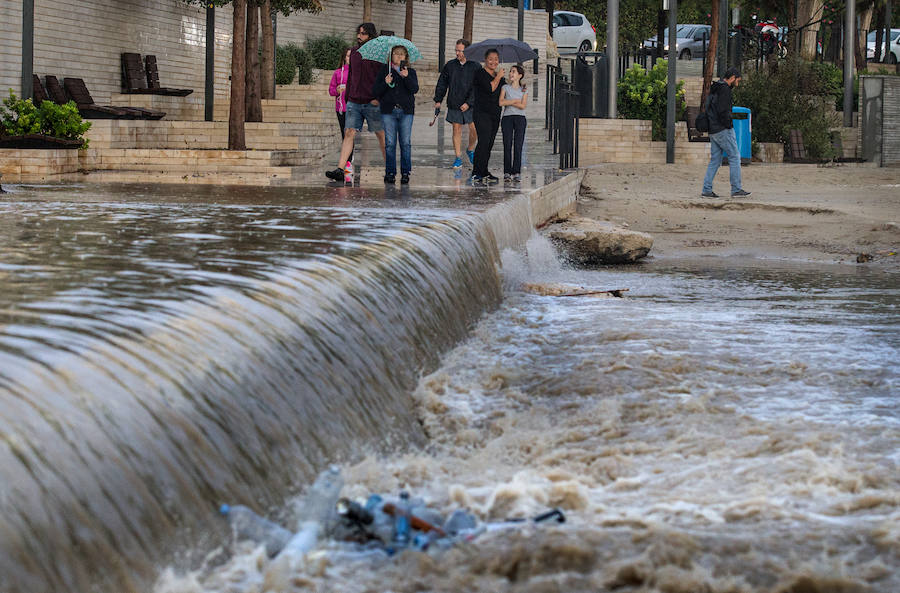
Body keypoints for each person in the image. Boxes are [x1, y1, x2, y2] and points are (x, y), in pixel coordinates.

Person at [325, 23, 386, 184]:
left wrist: (378, 97)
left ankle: (390, 168)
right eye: (358, 33)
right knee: (349, 132)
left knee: (380, 134)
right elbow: (351, 75)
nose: (359, 36)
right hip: (354, 101)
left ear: (371, 36)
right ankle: (340, 168)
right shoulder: (354, 53)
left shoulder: (378, 54)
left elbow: (382, 78)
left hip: (372, 101)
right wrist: (348, 98)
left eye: (363, 34)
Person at [701, 67, 751, 198]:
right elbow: (723, 110)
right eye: (737, 81)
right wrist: (729, 125)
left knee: (715, 160)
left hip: (713, 129)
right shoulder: (725, 90)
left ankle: (706, 189)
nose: (737, 84)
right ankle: (736, 189)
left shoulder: (716, 87)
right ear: (733, 77)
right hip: (723, 129)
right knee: (734, 157)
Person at [373, 45, 419, 184]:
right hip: (388, 111)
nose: (399, 57)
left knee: (405, 143)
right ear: (391, 56)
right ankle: (390, 172)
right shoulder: (385, 71)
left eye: (402, 54)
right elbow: (375, 91)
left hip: (406, 112)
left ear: (406, 57)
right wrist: (385, 83)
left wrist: (405, 77)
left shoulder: (410, 72)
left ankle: (405, 172)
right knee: (390, 143)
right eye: (396, 54)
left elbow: (414, 89)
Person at [433, 39, 480, 169]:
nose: (458, 53)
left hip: (471, 104)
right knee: (456, 129)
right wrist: (438, 100)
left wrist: (469, 103)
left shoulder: (475, 66)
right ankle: (458, 157)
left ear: (468, 51)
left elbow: (477, 87)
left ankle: (470, 149)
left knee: (474, 129)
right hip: (454, 102)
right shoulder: (450, 65)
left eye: (460, 50)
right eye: (456, 50)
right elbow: (442, 83)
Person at [471, 49, 505, 184]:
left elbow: (505, 91)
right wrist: (498, 77)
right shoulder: (480, 73)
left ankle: (484, 171)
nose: (494, 61)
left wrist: (520, 87)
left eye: (496, 59)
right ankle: (476, 172)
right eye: (491, 59)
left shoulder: (499, 77)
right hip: (481, 113)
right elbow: (490, 87)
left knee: (489, 144)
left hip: (495, 114)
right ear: (485, 60)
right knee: (483, 142)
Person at [499, 64, 528, 182]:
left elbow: (523, 106)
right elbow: (500, 102)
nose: (511, 74)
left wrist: (509, 102)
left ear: (520, 75)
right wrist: (515, 101)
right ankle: (507, 172)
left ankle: (516, 172)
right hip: (507, 118)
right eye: (510, 71)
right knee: (507, 144)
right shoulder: (505, 87)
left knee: (518, 145)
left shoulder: (524, 89)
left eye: (514, 72)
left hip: (520, 118)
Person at [328, 47, 352, 162]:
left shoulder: (357, 73)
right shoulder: (338, 73)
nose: (350, 58)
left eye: (352, 56)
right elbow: (331, 91)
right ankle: (347, 160)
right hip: (340, 108)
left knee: (350, 134)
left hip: (353, 108)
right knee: (344, 134)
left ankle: (348, 160)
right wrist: (337, 91)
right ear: (344, 57)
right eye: (348, 56)